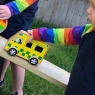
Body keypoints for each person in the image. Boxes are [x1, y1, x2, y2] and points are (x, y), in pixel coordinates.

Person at [27, 0, 95, 95]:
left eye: (93, 7)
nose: (88, 10)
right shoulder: (88, 30)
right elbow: (65, 35)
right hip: (74, 88)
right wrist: (39, 34)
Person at [0, 0, 39, 95]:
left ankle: (17, 91)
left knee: (16, 52)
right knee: (5, 46)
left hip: (20, 14)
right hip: (6, 7)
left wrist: (12, 8)